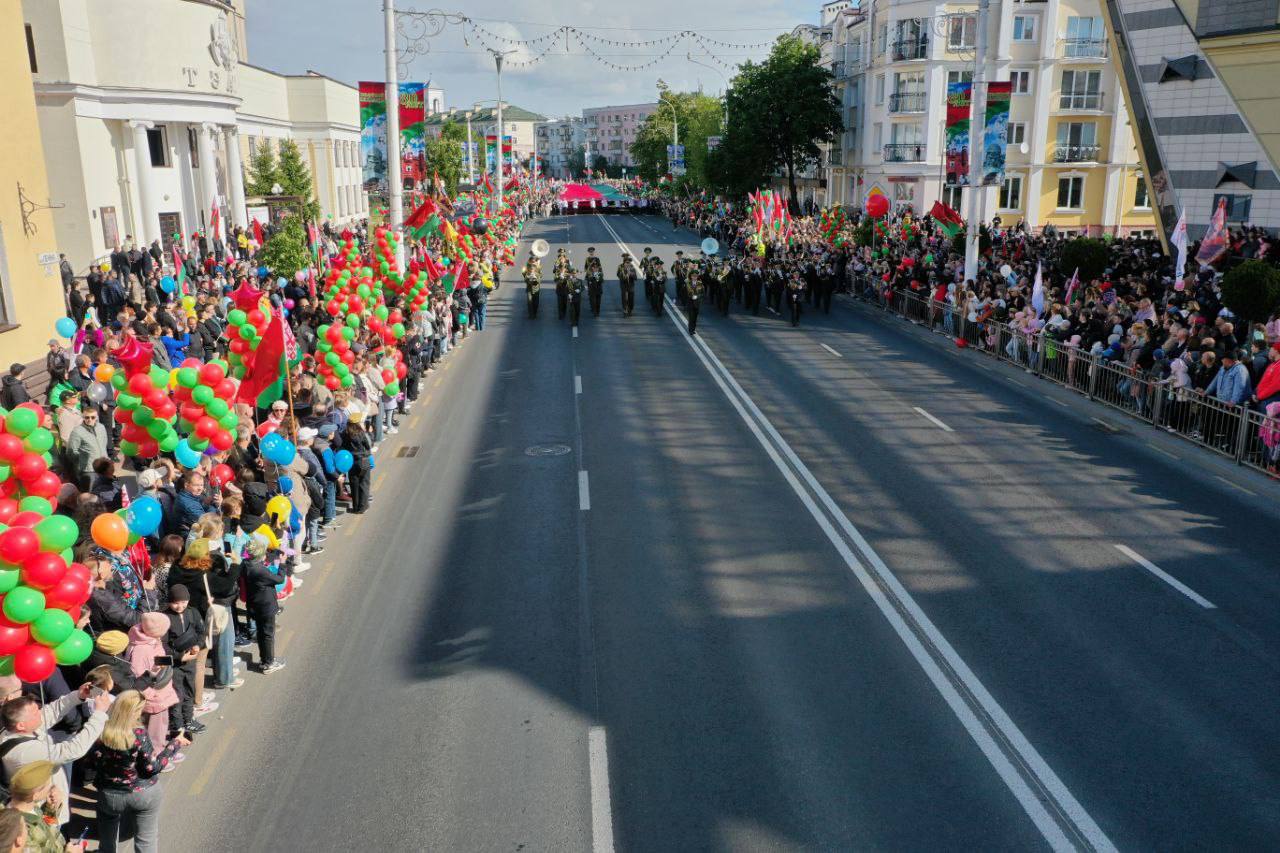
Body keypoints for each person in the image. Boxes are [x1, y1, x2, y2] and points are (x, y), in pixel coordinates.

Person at [0, 684, 111, 828]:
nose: (40, 713)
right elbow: (74, 749)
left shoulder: (17, 730)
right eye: (35, 713)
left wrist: (78, 695)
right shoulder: (24, 751)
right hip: (43, 813)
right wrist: (100, 714)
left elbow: (51, 711)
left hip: (51, 802)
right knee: (53, 843)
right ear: (21, 725)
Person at [89, 690, 186, 853]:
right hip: (143, 794)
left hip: (109, 795)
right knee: (146, 840)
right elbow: (151, 768)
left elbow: (90, 762)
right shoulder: (138, 733)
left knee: (107, 837)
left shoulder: (101, 730)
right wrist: (174, 745)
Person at [161, 585, 209, 737]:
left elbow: (202, 633)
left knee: (189, 690)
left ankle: (188, 720)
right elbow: (162, 646)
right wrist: (179, 656)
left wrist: (197, 645)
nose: (180, 606)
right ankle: (177, 725)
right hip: (175, 665)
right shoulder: (164, 618)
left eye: (183, 602)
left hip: (191, 662)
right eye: (175, 602)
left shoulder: (193, 612)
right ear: (169, 602)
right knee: (176, 695)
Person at [4, 760, 79, 852]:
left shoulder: (30, 807)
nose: (52, 787)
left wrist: (49, 809)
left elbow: (46, 826)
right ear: (35, 795)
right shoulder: (20, 830)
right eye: (48, 785)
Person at [242, 534, 285, 674]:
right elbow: (279, 579)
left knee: (261, 633)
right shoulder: (259, 570)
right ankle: (269, 663)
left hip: (254, 605)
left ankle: (264, 659)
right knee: (268, 634)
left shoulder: (246, 564)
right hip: (265, 607)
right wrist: (282, 564)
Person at [64, 404, 109, 491]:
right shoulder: (77, 431)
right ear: (83, 417)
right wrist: (83, 461)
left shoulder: (101, 427)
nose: (89, 420)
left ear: (97, 417)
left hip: (103, 467)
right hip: (89, 469)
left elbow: (104, 443)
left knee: (104, 492)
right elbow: (71, 451)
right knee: (90, 494)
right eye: (87, 417)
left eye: (93, 417)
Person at [584, 247, 603, 317]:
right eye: (590, 252)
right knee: (591, 293)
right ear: (589, 252)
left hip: (597, 275)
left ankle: (596, 310)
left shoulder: (597, 259)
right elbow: (585, 268)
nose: (591, 253)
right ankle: (593, 307)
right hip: (590, 276)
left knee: (597, 295)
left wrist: (597, 273)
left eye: (592, 252)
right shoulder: (587, 259)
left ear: (594, 252)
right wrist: (590, 272)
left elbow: (600, 267)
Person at [522, 254, 541, 318]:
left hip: (536, 289)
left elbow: (540, 277)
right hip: (529, 289)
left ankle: (535, 313)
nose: (532, 262)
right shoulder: (527, 269)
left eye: (533, 261)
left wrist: (535, 279)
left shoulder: (538, 268)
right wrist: (528, 278)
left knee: (536, 303)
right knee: (529, 302)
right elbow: (524, 277)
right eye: (531, 261)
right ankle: (531, 314)